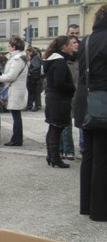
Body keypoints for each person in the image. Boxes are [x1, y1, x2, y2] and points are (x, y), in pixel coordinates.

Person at [74, 4, 107, 222]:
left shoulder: (85, 41)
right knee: (102, 157)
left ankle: (86, 205)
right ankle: (100, 210)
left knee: (89, 155)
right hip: (103, 101)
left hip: (86, 102)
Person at [42, 35, 78, 168]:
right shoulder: (60, 62)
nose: (75, 45)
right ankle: (55, 158)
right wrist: (72, 88)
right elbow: (58, 82)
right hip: (59, 99)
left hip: (53, 97)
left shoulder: (54, 60)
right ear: (64, 46)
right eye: (72, 43)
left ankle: (51, 155)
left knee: (53, 127)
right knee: (56, 127)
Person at [0, 36, 29, 146]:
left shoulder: (17, 59)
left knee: (16, 116)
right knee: (16, 115)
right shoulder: (21, 58)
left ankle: (17, 139)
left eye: (9, 46)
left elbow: (11, 76)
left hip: (15, 89)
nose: (8, 48)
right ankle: (16, 138)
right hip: (17, 89)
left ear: (13, 46)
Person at [60, 24, 82, 160]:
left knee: (82, 123)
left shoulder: (82, 54)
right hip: (68, 94)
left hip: (79, 93)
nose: (74, 35)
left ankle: (83, 147)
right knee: (66, 123)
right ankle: (67, 149)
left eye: (76, 33)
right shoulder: (62, 58)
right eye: (72, 33)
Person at [25, 47, 43, 112]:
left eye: (28, 53)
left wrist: (30, 71)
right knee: (32, 92)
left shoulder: (35, 58)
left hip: (36, 78)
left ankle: (36, 106)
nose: (27, 54)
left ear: (31, 52)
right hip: (33, 78)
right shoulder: (34, 58)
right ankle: (30, 105)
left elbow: (36, 66)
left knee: (36, 92)